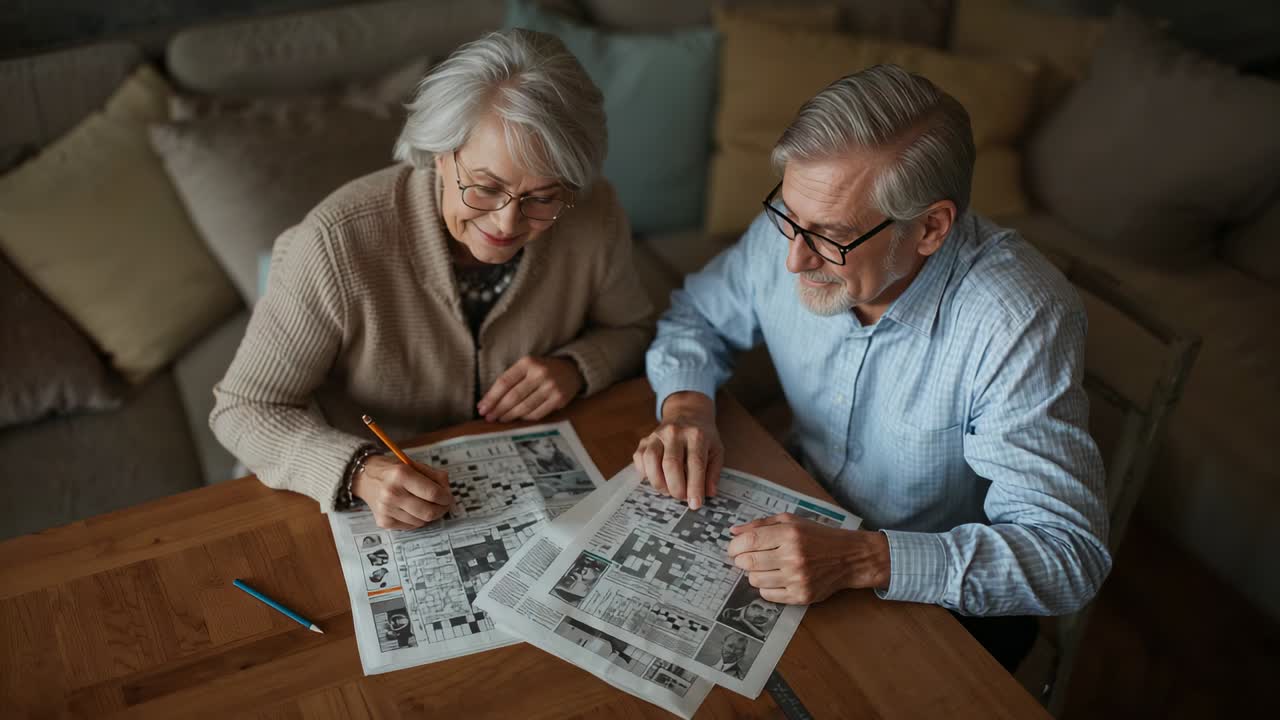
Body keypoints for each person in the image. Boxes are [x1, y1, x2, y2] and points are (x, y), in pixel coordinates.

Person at [633, 64, 1111, 671]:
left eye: (832, 237)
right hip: (796, 505)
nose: (793, 260)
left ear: (930, 228)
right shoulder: (800, 226)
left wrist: (863, 558)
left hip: (935, 599)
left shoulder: (1019, 319)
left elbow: (1068, 555)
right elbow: (696, 315)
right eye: (788, 215)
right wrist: (687, 408)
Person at [212, 29, 654, 530]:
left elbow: (634, 329)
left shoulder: (594, 215)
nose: (507, 223)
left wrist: (576, 367)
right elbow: (244, 409)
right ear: (440, 154)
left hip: (509, 490)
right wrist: (358, 471)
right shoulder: (335, 242)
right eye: (485, 187)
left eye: (542, 197)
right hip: (354, 498)